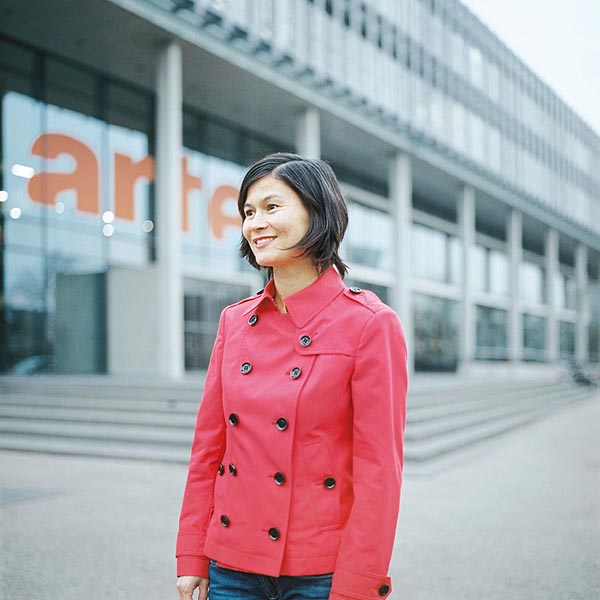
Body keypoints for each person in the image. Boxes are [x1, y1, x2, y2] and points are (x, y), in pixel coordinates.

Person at [176, 153, 408, 600]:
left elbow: (380, 471)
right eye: (247, 212)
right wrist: (192, 554)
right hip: (231, 564)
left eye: (271, 207)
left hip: (320, 571)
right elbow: (209, 449)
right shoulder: (234, 321)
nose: (255, 223)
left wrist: (358, 584)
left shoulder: (370, 323)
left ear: (316, 212)